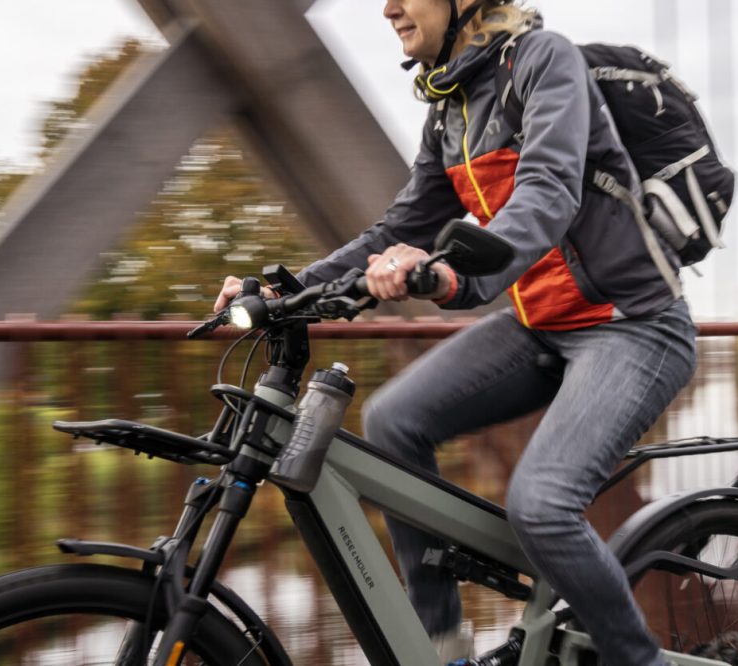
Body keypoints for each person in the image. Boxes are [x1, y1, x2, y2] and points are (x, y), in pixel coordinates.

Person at [216, 1, 696, 663]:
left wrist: (450, 278)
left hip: (633, 326)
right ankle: (438, 642)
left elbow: (548, 191)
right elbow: (400, 228)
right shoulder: (451, 108)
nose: (388, 7)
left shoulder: (542, 60)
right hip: (542, 328)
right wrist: (286, 289)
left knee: (542, 503)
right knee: (393, 421)